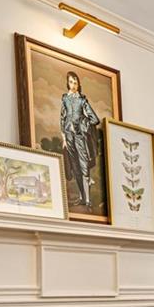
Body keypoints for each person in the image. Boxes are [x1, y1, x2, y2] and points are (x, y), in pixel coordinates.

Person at [60, 71, 101, 206]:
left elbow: (95, 119)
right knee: (75, 167)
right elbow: (62, 118)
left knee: (83, 166)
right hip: (69, 136)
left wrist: (83, 125)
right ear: (68, 83)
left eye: (76, 82)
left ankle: (88, 199)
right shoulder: (65, 99)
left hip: (79, 137)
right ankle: (82, 198)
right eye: (71, 82)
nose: (73, 85)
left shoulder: (82, 100)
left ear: (78, 84)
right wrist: (64, 139)